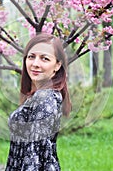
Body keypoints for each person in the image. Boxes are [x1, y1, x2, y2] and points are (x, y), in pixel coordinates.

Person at [5, 34, 72, 171]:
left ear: (57, 65)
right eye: (31, 57)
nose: (35, 64)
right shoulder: (38, 96)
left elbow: (34, 155)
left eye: (44, 58)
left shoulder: (46, 99)